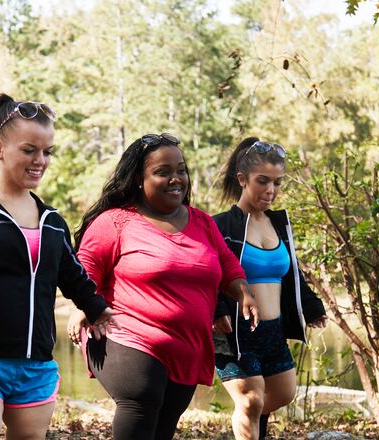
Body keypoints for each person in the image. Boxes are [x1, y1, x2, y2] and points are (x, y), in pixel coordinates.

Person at [0, 94, 117, 440]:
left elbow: (70, 273)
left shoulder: (53, 222)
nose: (40, 160)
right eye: (29, 150)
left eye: (47, 151)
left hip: (36, 365)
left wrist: (95, 307)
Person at [66, 133, 260, 440]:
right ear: (137, 179)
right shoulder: (115, 222)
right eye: (162, 172)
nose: (176, 179)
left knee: (165, 422)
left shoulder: (202, 223)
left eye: (180, 170)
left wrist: (243, 292)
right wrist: (83, 308)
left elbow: (226, 266)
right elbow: (85, 268)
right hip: (126, 335)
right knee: (142, 398)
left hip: (186, 344)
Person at [212, 137, 328, 439]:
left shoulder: (279, 224)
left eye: (277, 183)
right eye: (262, 181)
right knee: (250, 400)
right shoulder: (222, 226)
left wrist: (312, 305)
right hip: (234, 331)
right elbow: (207, 274)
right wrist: (218, 311)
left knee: (282, 393)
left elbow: (292, 274)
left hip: (273, 330)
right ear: (242, 179)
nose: (271, 190)